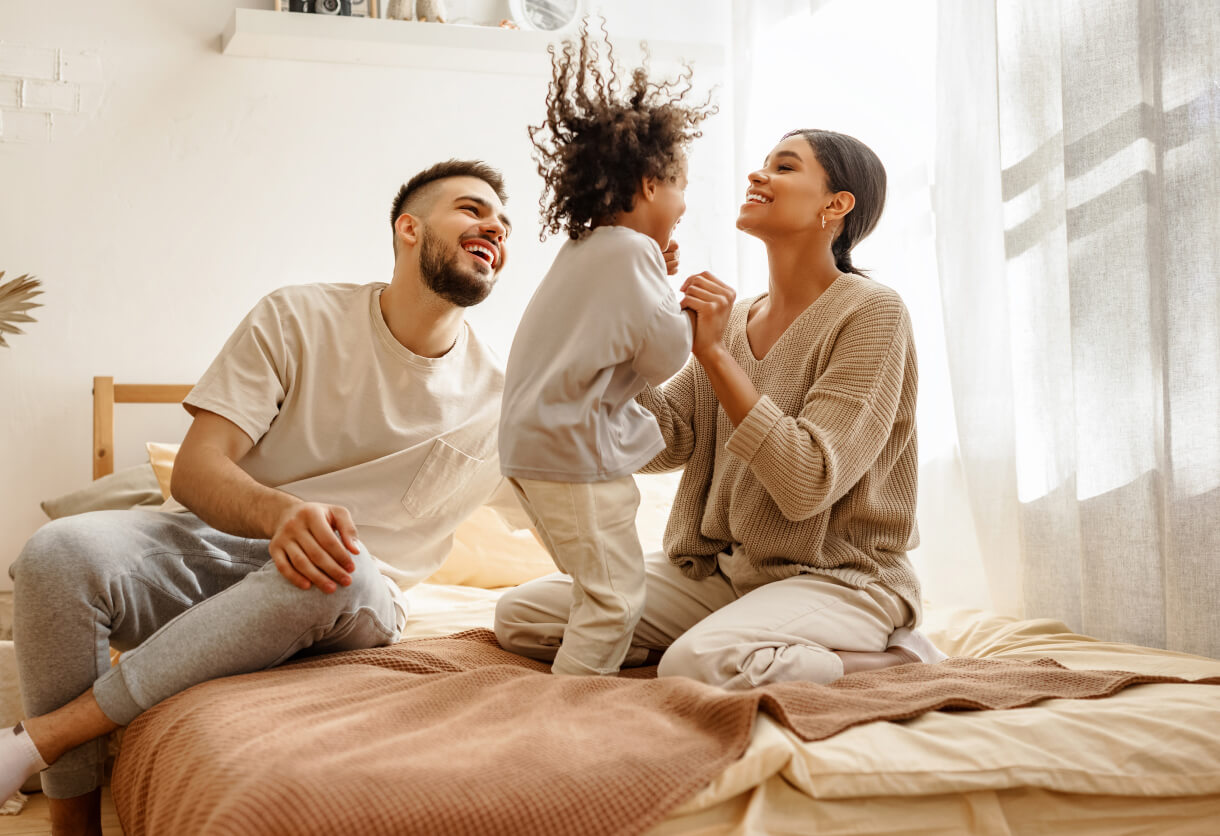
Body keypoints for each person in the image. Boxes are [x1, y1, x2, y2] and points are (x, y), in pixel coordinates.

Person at [3, 159, 525, 834]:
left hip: (346, 597)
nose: (495, 227)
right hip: (214, 548)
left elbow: (618, 459)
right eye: (473, 209)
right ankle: (73, 826)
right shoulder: (298, 316)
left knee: (339, 564)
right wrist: (281, 514)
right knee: (55, 552)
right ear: (408, 228)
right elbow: (196, 469)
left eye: (505, 223)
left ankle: (37, 740)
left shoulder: (508, 399)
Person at [496, 129, 948, 689]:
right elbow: (670, 439)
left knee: (697, 663)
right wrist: (629, 312)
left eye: (783, 167)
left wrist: (710, 353)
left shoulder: (872, 312)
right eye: (761, 165)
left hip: (841, 578)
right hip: (726, 573)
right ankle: (746, 636)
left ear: (836, 205)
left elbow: (807, 481)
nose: (758, 175)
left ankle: (895, 660)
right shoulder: (736, 320)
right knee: (522, 617)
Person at [497, 23, 714, 677]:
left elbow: (616, 333)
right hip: (574, 454)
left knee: (597, 589)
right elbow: (665, 357)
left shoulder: (587, 249)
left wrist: (657, 281)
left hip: (529, 451)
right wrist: (691, 312)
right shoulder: (635, 253)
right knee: (615, 601)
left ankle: (585, 682)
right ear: (650, 184)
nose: (683, 206)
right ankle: (571, 719)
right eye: (680, 188)